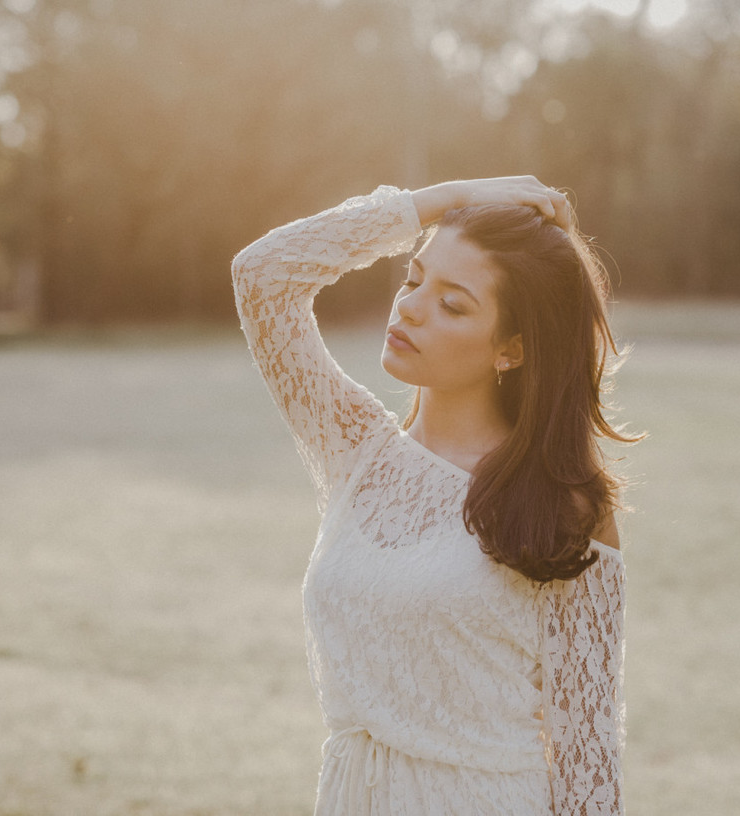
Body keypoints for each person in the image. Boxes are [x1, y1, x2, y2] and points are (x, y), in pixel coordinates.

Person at [232, 176, 637, 815]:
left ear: (512, 349)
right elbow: (261, 277)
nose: (412, 308)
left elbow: (587, 754)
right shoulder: (356, 450)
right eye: (413, 279)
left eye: (453, 304)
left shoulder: (562, 506)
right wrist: (443, 200)